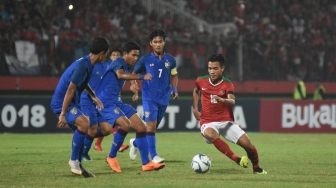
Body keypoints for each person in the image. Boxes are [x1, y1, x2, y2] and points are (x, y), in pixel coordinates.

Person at [192, 54, 267, 174]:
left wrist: (223, 100)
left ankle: (256, 168)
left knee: (248, 145)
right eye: (210, 68)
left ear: (222, 69)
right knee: (210, 133)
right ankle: (236, 159)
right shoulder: (201, 80)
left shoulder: (227, 84)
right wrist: (195, 109)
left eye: (215, 68)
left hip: (226, 121)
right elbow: (196, 90)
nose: (212, 71)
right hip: (207, 122)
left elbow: (232, 100)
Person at [97, 41, 165, 172]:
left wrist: (133, 84)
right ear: (125, 54)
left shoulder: (127, 66)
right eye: (133, 55)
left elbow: (128, 75)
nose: (135, 58)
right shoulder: (118, 62)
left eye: (137, 56)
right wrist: (141, 77)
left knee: (141, 127)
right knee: (125, 125)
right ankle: (111, 156)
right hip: (105, 102)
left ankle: (146, 163)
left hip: (117, 102)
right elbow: (120, 75)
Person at [50, 37, 109, 177]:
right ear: (101, 54)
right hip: (62, 102)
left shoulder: (88, 64)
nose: (106, 56)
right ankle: (74, 161)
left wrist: (93, 95)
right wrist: (63, 114)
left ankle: (78, 164)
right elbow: (71, 89)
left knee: (82, 130)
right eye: (106, 53)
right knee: (84, 123)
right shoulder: (83, 65)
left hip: (72, 102)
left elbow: (82, 84)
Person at [129, 28, 178, 164]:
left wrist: (174, 88)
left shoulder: (171, 60)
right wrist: (134, 84)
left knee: (150, 128)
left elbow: (174, 74)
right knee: (150, 125)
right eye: (155, 42)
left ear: (164, 43)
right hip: (149, 97)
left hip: (164, 97)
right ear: (151, 43)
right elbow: (132, 73)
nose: (158, 44)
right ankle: (154, 156)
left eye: (160, 41)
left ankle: (135, 143)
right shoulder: (145, 59)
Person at [93, 48, 129, 153]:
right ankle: (119, 145)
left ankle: (95, 142)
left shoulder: (121, 67)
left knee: (107, 125)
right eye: (113, 55)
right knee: (114, 121)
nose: (116, 57)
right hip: (103, 99)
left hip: (114, 98)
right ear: (110, 57)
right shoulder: (107, 67)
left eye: (118, 55)